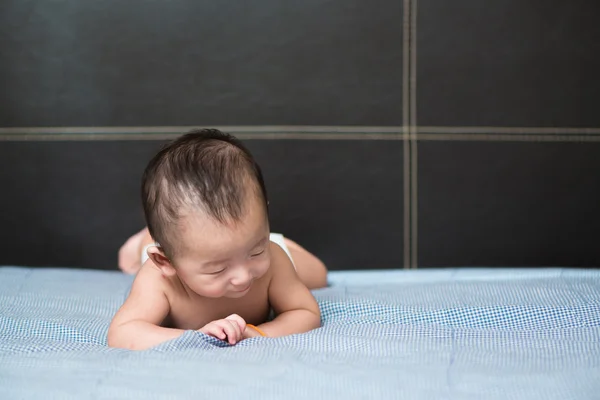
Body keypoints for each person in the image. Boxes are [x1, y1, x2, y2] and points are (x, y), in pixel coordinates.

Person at [108, 129, 327, 350]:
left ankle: (274, 241)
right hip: (184, 247)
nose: (242, 278)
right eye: (217, 269)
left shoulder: (274, 262)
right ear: (166, 262)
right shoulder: (159, 280)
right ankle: (144, 241)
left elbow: (305, 312)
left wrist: (258, 333)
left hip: (254, 243)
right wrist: (194, 337)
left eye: (256, 251)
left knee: (318, 275)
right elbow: (123, 332)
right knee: (154, 249)